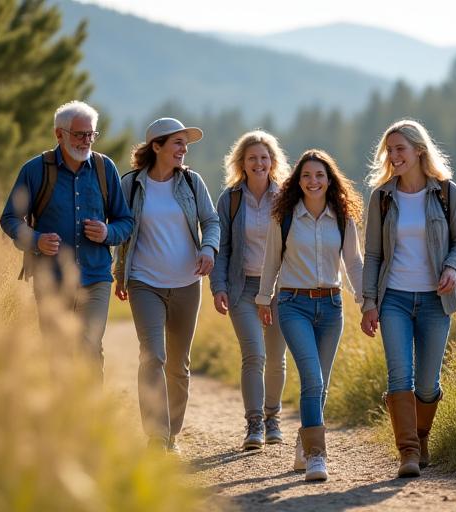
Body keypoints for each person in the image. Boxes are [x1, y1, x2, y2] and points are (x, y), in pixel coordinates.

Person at [360, 119, 456, 478]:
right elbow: (373, 255)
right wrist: (369, 301)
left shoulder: (446, 192)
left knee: (427, 383)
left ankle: (421, 438)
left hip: (436, 301)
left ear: (419, 150)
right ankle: (407, 452)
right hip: (393, 298)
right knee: (399, 376)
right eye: (389, 151)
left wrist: (452, 268)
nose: (393, 157)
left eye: (400, 149)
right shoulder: (382, 197)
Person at [0, 100, 134, 380]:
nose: (86, 141)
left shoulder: (104, 168)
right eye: (79, 134)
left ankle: (90, 418)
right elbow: (10, 218)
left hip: (96, 278)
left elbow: (126, 222)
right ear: (59, 134)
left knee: (90, 348)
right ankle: (62, 417)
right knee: (56, 351)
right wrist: (35, 240)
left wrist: (108, 233)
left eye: (91, 134)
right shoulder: (35, 170)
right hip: (51, 278)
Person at [113, 118, 219, 452]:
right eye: (177, 143)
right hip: (145, 282)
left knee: (178, 365)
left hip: (187, 283)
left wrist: (208, 248)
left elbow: (211, 221)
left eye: (185, 144)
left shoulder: (191, 182)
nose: (183, 150)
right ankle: (156, 436)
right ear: (156, 146)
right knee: (152, 356)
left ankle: (171, 432)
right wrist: (120, 273)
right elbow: (121, 231)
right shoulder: (130, 184)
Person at [256, 149, 363, 482]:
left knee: (322, 385)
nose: (313, 181)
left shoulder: (342, 217)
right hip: (293, 304)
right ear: (297, 181)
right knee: (312, 380)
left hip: (331, 306)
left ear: (329, 180)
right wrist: (263, 298)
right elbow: (271, 260)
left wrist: (365, 299)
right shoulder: (285, 216)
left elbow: (354, 262)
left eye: (319, 175)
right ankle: (318, 456)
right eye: (306, 176)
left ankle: (305, 443)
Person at [210, 130, 290, 450]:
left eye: (264, 157)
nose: (259, 163)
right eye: (252, 157)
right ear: (242, 162)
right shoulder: (230, 199)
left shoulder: (286, 197)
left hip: (281, 288)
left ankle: (273, 419)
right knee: (253, 354)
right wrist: (218, 287)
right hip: (242, 287)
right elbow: (222, 247)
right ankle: (254, 423)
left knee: (276, 358)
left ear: (272, 162)